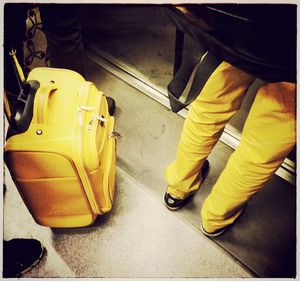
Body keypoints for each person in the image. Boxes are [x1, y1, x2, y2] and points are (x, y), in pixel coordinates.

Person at [163, 60, 296, 236]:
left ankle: (178, 188)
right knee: (267, 139)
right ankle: (215, 217)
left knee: (210, 107)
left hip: (249, 35)